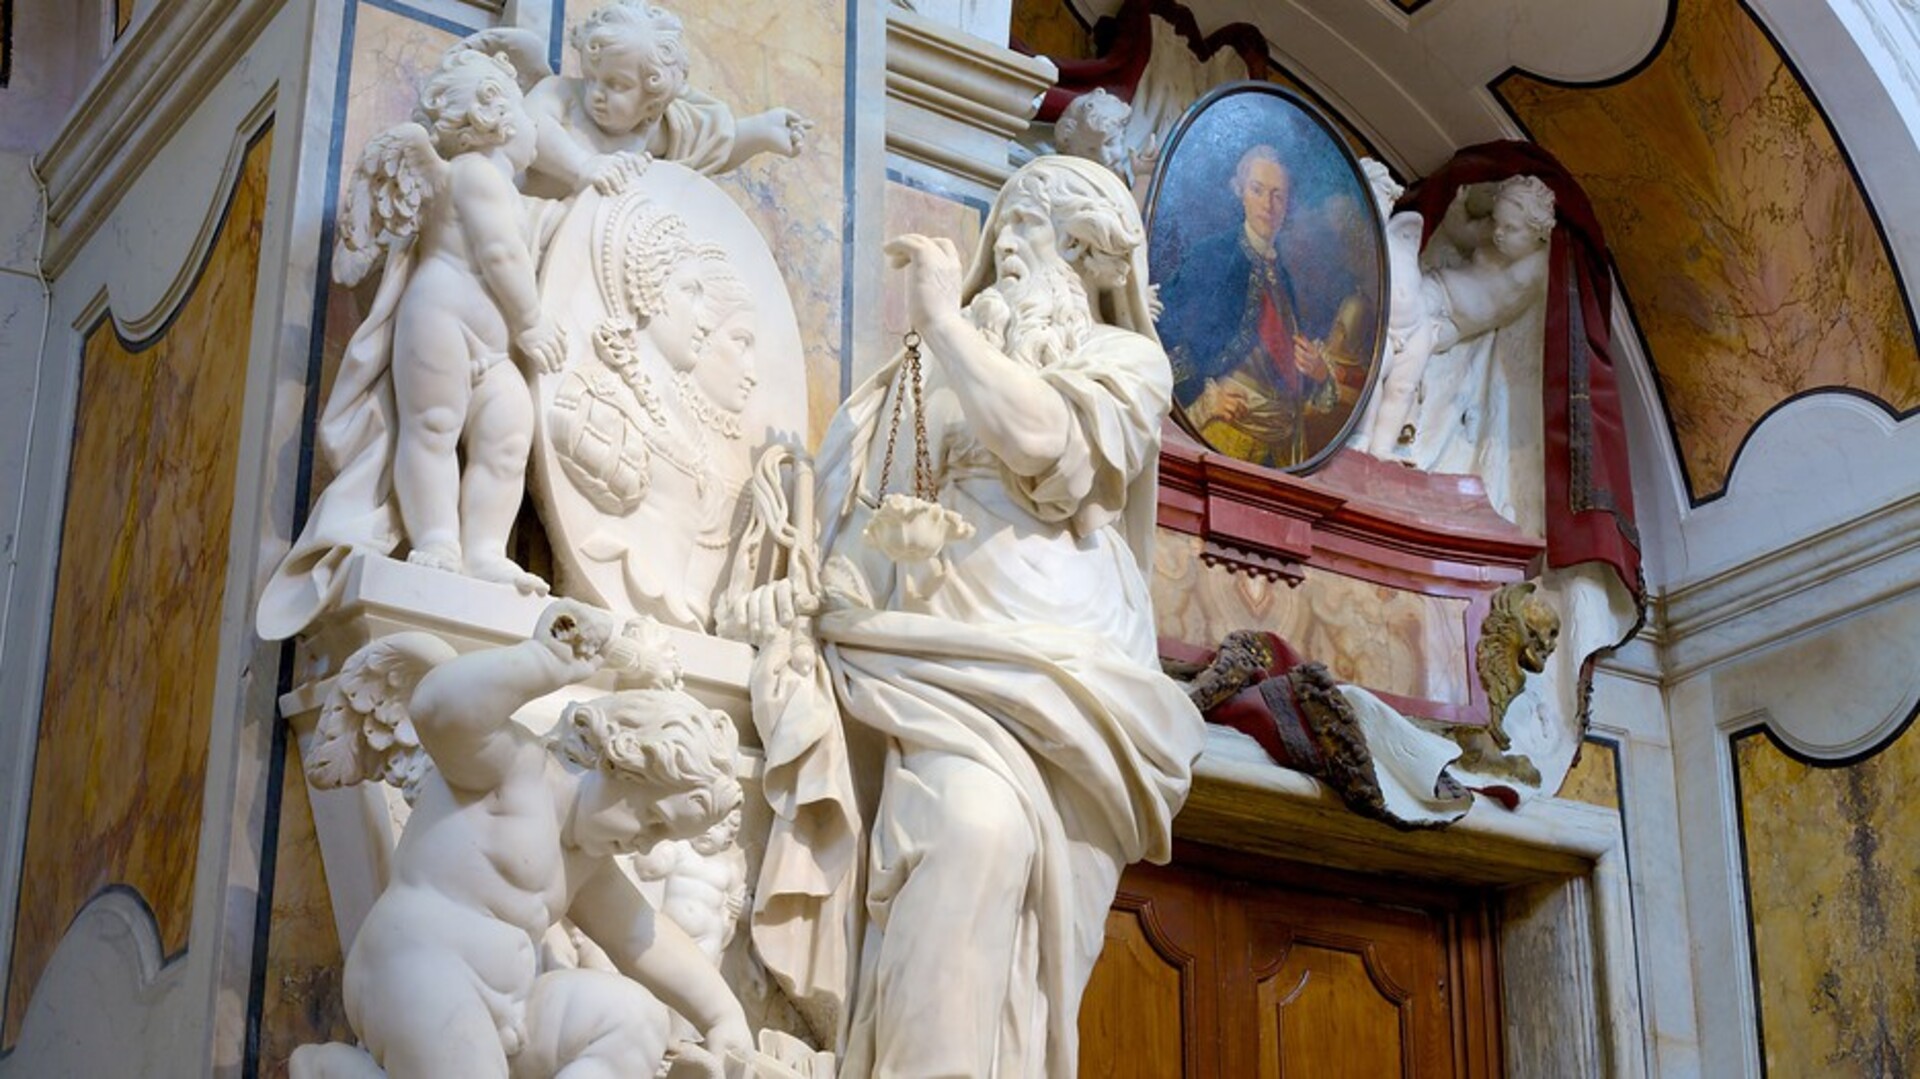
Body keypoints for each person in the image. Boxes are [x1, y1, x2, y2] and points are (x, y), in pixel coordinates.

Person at [736, 156, 1206, 1079]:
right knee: (970, 830)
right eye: (1006, 225)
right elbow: (873, 510)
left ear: (1088, 257)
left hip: (1078, 682)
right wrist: (817, 594)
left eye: (1031, 228)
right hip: (935, 660)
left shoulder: (1125, 362)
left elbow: (1045, 445)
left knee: (1046, 941)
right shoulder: (932, 371)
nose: (1007, 248)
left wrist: (946, 323)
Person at [300, 599, 754, 1078]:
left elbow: (641, 936)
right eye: (654, 820)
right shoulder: (514, 770)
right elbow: (437, 710)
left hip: (507, 1010)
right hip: (415, 974)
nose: (647, 844)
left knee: (637, 1019)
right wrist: (541, 662)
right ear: (619, 761)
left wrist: (723, 1015)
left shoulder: (587, 863)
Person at [258, 49, 560, 640]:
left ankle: (484, 549)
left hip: (493, 349)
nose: (537, 132)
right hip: (439, 319)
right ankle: (438, 539)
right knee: (432, 429)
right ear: (496, 114)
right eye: (530, 117)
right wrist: (531, 323)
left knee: (508, 436)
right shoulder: (473, 173)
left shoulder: (508, 190)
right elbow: (499, 254)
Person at [511, 1, 811, 196]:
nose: (597, 93)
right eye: (591, 77)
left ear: (651, 104)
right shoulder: (561, 92)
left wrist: (760, 131)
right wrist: (583, 166)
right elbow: (529, 125)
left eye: (617, 85)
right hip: (524, 214)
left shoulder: (648, 132)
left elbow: (710, 142)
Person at [1156, 144, 1335, 468]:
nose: (1268, 205)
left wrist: (1317, 372)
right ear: (1240, 192)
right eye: (1257, 190)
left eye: (1278, 195)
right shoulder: (1212, 254)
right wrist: (1203, 396)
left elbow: (1279, 366)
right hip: (1226, 433)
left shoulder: (1283, 274)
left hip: (1285, 447)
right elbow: (1163, 329)